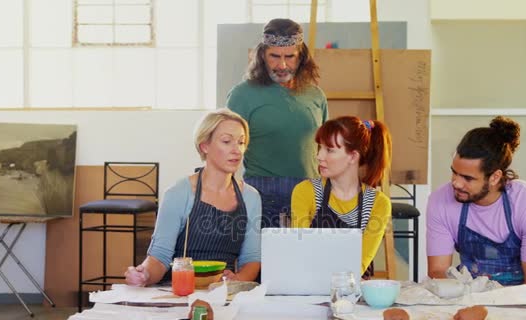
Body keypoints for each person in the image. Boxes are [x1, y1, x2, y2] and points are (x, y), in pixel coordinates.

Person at [124, 109, 262, 286]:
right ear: (204, 146)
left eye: (241, 142)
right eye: (227, 141)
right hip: (178, 291)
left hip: (224, 292)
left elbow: (251, 258)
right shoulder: (178, 193)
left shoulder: (251, 197)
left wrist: (236, 281)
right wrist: (144, 276)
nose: (237, 150)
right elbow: (159, 257)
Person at [426, 116, 526, 286]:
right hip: (470, 298)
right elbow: (438, 274)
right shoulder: (440, 200)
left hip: (524, 301)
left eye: (467, 178)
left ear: (495, 177)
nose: (456, 183)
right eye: (454, 172)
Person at [227, 18, 328, 229]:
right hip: (262, 192)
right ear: (262, 55)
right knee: (262, 261)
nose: (282, 65)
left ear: (301, 57)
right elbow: (227, 148)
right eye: (274, 56)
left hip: (311, 191)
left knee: (307, 260)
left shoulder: (316, 95)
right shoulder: (242, 95)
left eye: (290, 57)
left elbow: (326, 147)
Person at [291, 116, 392, 276]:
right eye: (320, 148)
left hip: (353, 293)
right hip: (309, 285)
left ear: (353, 156)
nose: (319, 156)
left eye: (329, 150)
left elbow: (360, 264)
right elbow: (300, 251)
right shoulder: (305, 191)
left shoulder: (377, 203)